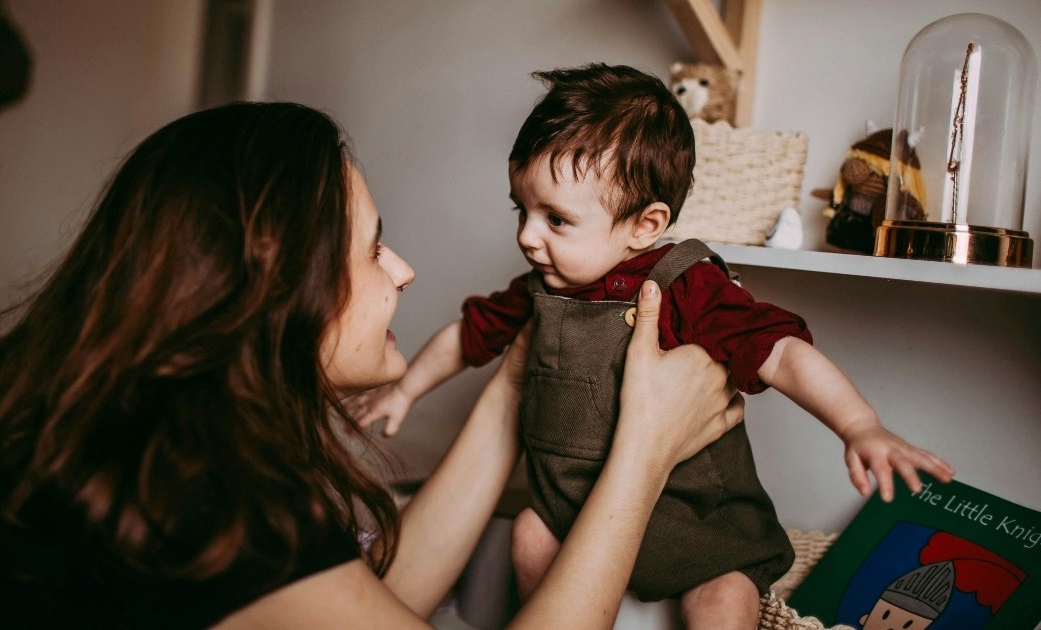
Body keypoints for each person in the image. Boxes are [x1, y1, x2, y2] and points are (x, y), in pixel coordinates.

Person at [0, 101, 743, 629]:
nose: (403, 271)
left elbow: (362, 600)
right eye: (372, 250)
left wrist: (513, 383)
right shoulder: (192, 491)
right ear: (273, 290)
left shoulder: (143, 432)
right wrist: (644, 449)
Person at [347, 64, 956, 629]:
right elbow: (468, 335)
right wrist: (406, 389)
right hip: (578, 508)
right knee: (529, 536)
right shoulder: (541, 288)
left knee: (724, 598)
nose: (528, 237)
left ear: (645, 225)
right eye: (522, 210)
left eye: (555, 219)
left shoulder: (687, 284)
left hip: (696, 519)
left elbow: (782, 350)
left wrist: (860, 426)